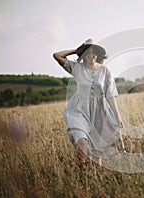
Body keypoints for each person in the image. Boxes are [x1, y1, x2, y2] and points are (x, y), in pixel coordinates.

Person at [53, 39, 125, 169]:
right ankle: (83, 174)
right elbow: (57, 55)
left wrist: (117, 116)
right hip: (79, 110)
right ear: (83, 55)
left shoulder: (105, 71)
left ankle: (94, 179)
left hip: (99, 111)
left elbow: (110, 95)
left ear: (97, 55)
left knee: (98, 150)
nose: (91, 55)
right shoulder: (76, 68)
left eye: (94, 52)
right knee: (82, 142)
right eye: (87, 52)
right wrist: (77, 50)